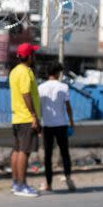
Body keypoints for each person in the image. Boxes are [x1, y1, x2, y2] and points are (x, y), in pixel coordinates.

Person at [8, 42, 41, 197]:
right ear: (28, 56)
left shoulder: (14, 71)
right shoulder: (26, 72)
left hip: (17, 117)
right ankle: (22, 185)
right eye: (33, 54)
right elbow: (26, 94)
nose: (35, 57)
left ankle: (16, 183)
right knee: (24, 152)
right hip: (26, 117)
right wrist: (34, 116)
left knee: (17, 151)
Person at [38, 62, 76, 192]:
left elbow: (39, 108)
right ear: (58, 73)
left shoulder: (40, 88)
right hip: (61, 124)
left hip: (47, 125)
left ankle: (48, 183)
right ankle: (68, 177)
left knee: (48, 155)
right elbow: (68, 107)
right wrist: (71, 122)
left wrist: (38, 123)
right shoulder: (64, 87)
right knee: (65, 153)